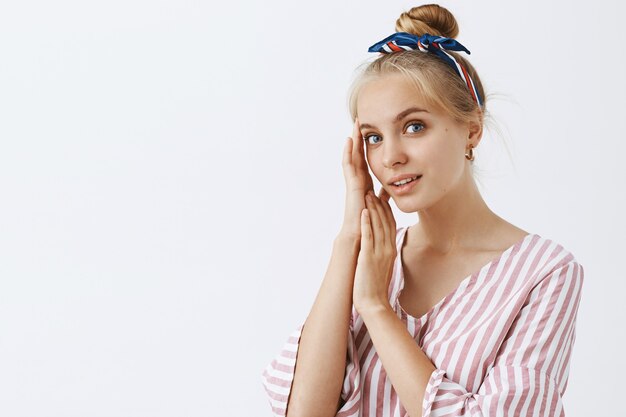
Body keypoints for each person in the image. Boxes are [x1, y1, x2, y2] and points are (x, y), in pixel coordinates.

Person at [261, 4, 584, 417]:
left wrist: (377, 308)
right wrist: (349, 240)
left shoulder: (544, 273)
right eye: (373, 137)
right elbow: (304, 412)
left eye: (414, 127)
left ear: (472, 128)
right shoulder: (371, 257)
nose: (391, 156)